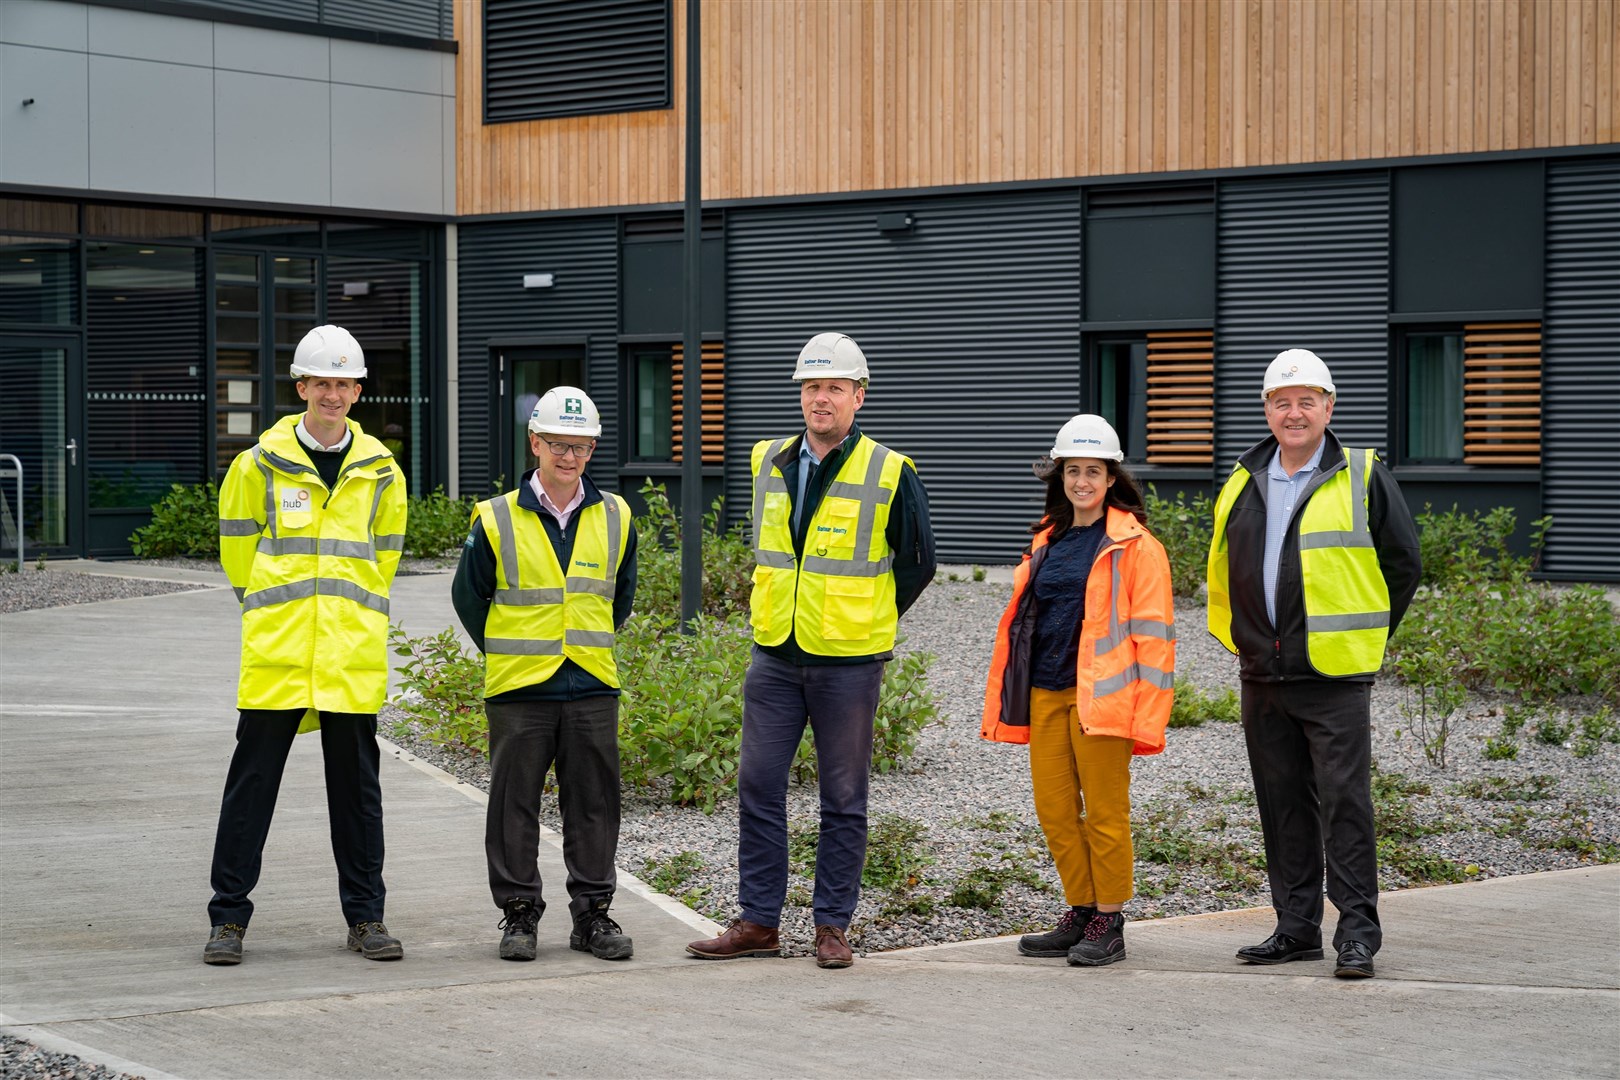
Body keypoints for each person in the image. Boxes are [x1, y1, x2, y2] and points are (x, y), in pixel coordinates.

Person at [686, 332, 935, 969]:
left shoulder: (890, 469)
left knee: (844, 798)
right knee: (759, 785)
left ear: (858, 396)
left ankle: (831, 925)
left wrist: (865, 615)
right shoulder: (767, 458)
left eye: (832, 387)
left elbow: (918, 563)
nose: (820, 399)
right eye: (810, 387)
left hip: (848, 662)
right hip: (774, 652)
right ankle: (758, 922)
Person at [1206, 349, 1421, 980]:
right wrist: (1246, 640)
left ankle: (1357, 934)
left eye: (1307, 401)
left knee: (1344, 803)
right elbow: (1225, 567)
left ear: (1329, 407)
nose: (1294, 412)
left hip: (1333, 674)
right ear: (1266, 410)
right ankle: (1296, 928)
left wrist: (1363, 637)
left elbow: (1402, 565)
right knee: (1282, 804)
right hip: (1262, 671)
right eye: (1281, 401)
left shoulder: (1362, 474)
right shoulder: (1244, 478)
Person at [205, 324, 408, 965]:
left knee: (358, 797)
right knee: (250, 791)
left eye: (344, 384)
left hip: (349, 655)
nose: (334, 394)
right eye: (322, 382)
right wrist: (276, 614)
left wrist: (344, 622)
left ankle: (366, 919)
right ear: (301, 387)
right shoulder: (256, 465)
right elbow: (238, 556)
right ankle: (228, 920)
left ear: (357, 392)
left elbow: (383, 560)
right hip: (279, 654)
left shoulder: (381, 470)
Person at [981, 414, 1176, 967]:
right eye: (1073, 471)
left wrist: (1146, 714)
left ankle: (1109, 920)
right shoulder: (1050, 536)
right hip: (1045, 692)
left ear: (1112, 477)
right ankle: (1081, 909)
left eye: (1093, 471)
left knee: (1106, 814)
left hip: (1103, 701)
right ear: (1060, 475)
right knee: (1056, 811)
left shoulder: (1137, 546)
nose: (1082, 482)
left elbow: (1156, 640)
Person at [452, 387, 639, 962]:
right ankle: (519, 915)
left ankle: (592, 916)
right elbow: (469, 597)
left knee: (594, 805)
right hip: (520, 689)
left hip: (590, 683)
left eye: (581, 446)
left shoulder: (616, 515)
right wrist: (511, 654)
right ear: (535, 443)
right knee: (514, 805)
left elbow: (620, 597)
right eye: (559, 444)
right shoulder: (496, 517)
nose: (570, 456)